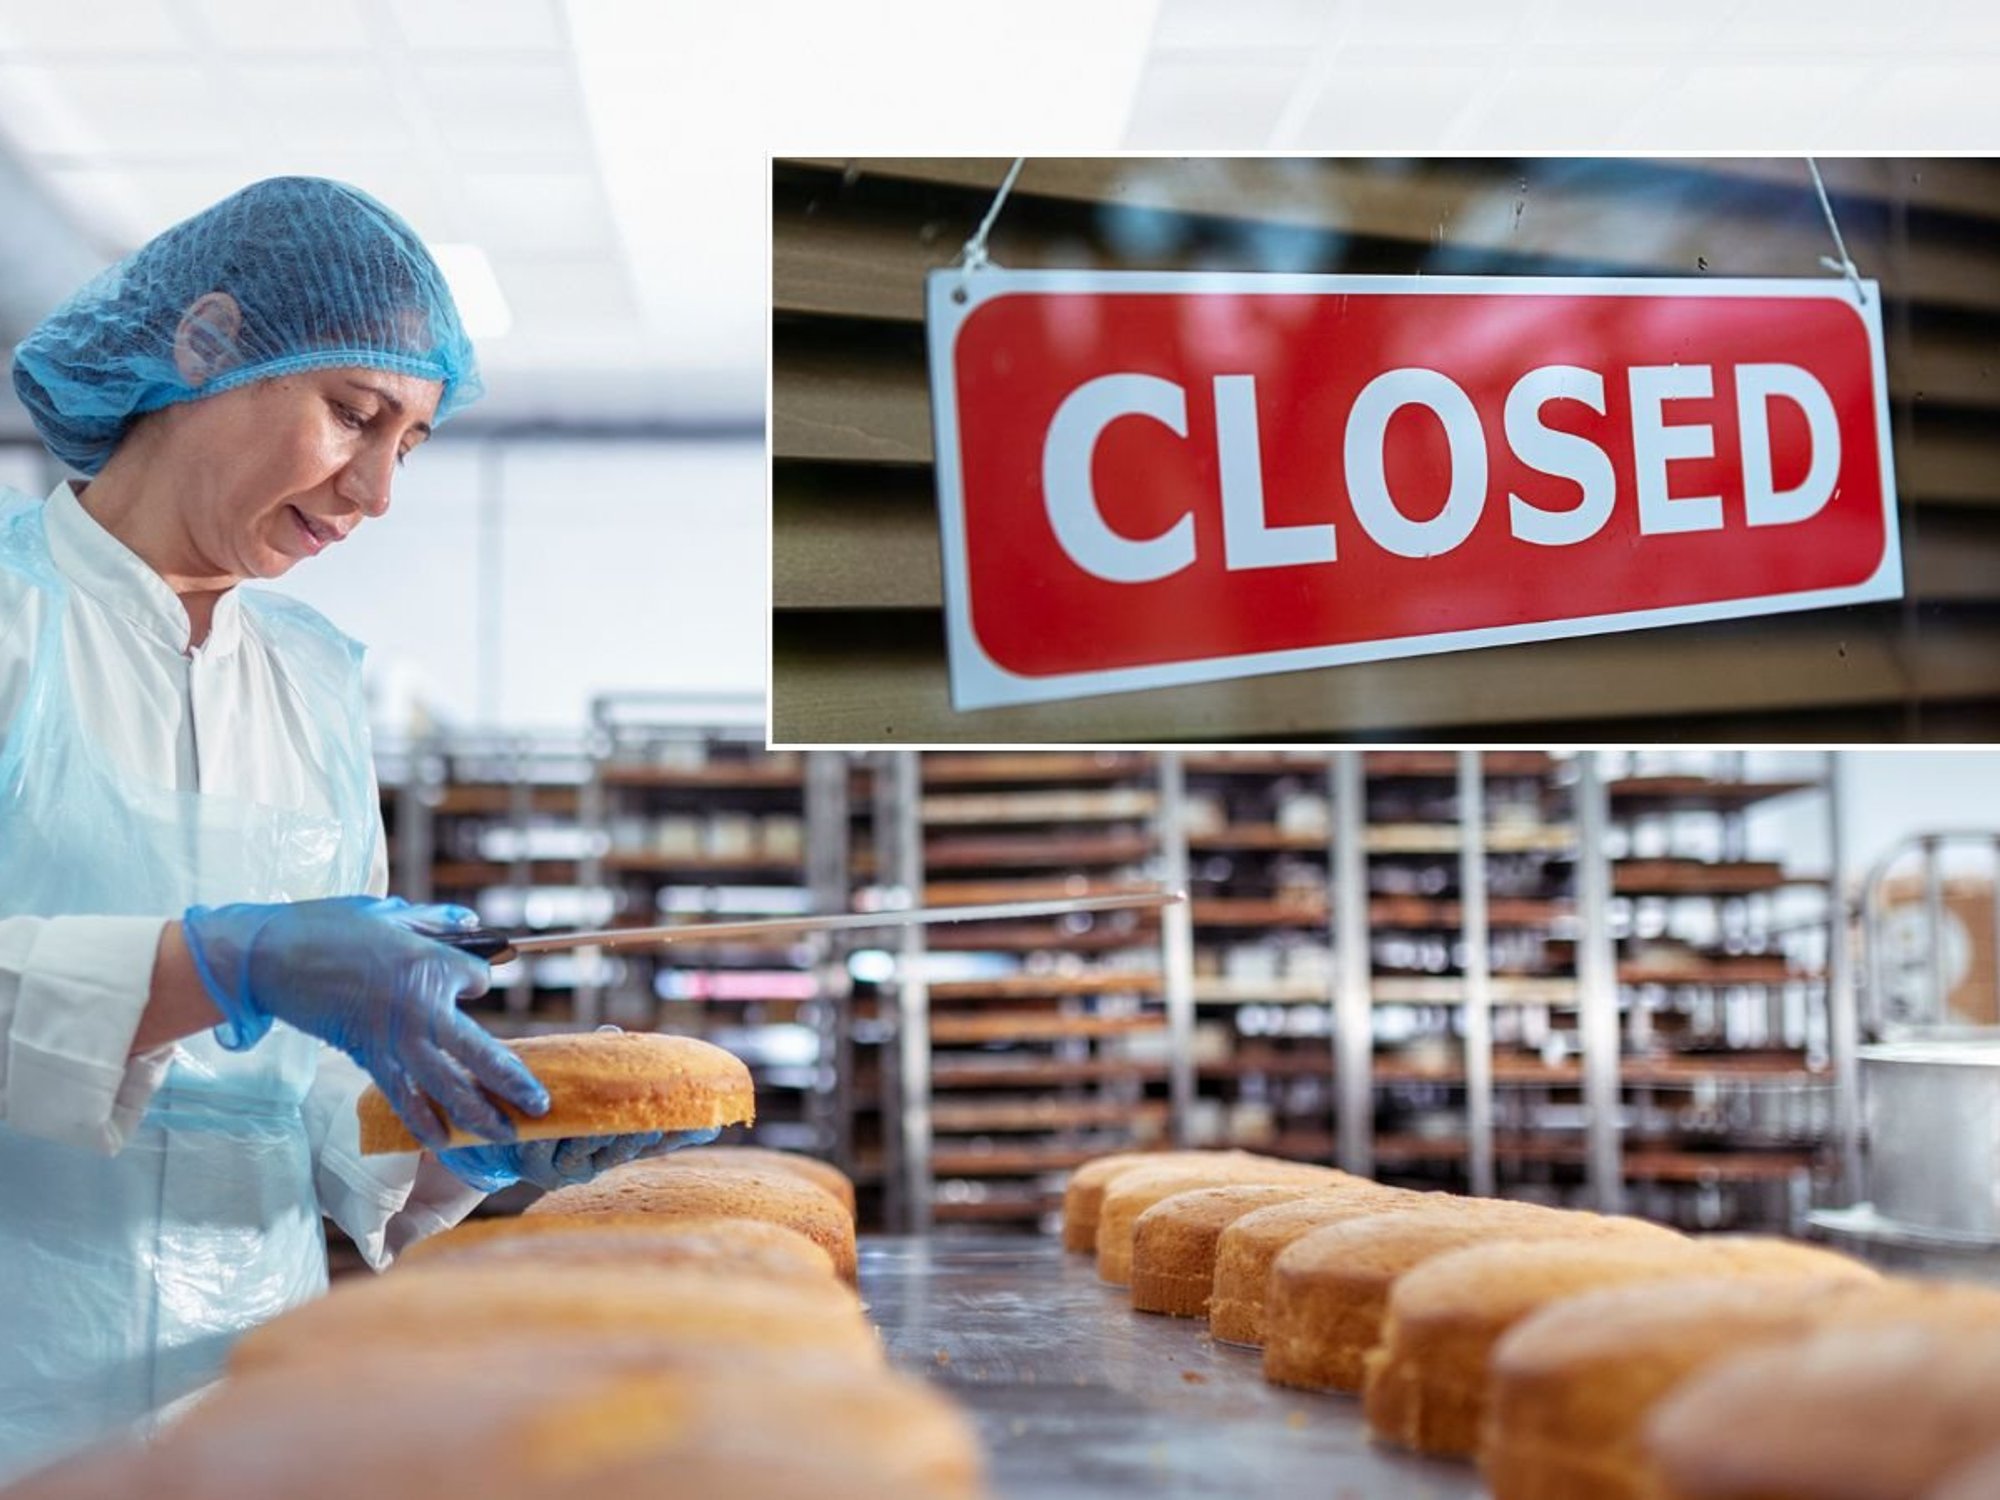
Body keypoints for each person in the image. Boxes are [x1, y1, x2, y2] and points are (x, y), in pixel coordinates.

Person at [0, 178, 711, 1483]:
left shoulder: (315, 685)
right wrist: (216, 964)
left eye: (415, 441)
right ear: (205, 344)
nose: (378, 489)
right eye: (356, 414)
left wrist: (464, 1133)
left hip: (257, 1416)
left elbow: (308, 1112)